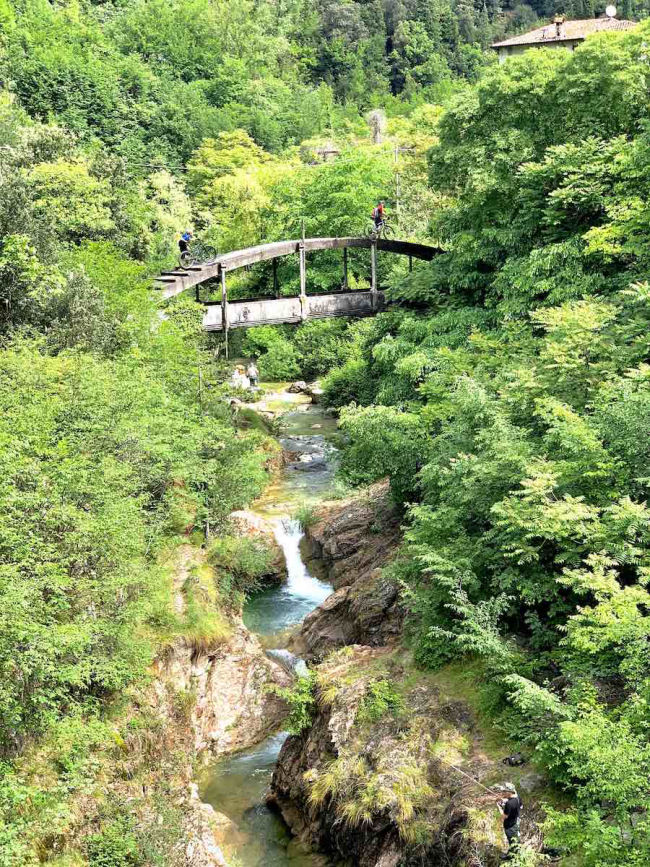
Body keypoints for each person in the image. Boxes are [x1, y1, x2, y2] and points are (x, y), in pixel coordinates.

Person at [497, 783, 522, 857]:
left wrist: (499, 806)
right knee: (515, 839)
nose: (503, 793)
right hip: (515, 822)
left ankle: (511, 856)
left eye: (504, 791)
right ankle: (517, 852)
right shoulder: (518, 798)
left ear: (510, 792)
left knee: (511, 841)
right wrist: (506, 800)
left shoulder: (509, 804)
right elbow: (520, 806)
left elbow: (504, 816)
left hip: (509, 826)